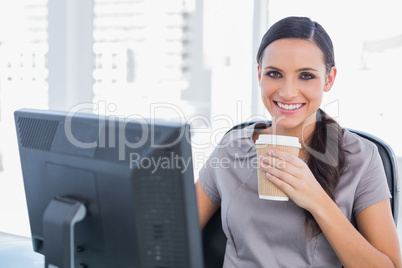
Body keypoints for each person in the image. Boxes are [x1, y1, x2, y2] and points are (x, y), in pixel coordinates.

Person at [196, 16, 401, 267]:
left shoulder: (362, 157)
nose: (288, 92)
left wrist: (316, 199)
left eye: (306, 76)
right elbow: (169, 234)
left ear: (329, 79)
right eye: (274, 74)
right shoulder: (231, 148)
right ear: (260, 74)